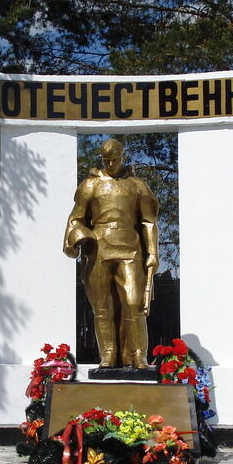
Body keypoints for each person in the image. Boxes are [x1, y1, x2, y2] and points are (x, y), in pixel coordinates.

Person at [63, 138, 159, 368]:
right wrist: (75, 240)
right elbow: (75, 218)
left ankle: (137, 355)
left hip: (130, 249)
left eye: (115, 159)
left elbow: (148, 222)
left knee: (134, 303)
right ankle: (108, 353)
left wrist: (153, 253)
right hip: (99, 248)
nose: (111, 163)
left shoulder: (137, 185)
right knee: (102, 307)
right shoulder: (90, 185)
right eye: (107, 160)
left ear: (123, 157)